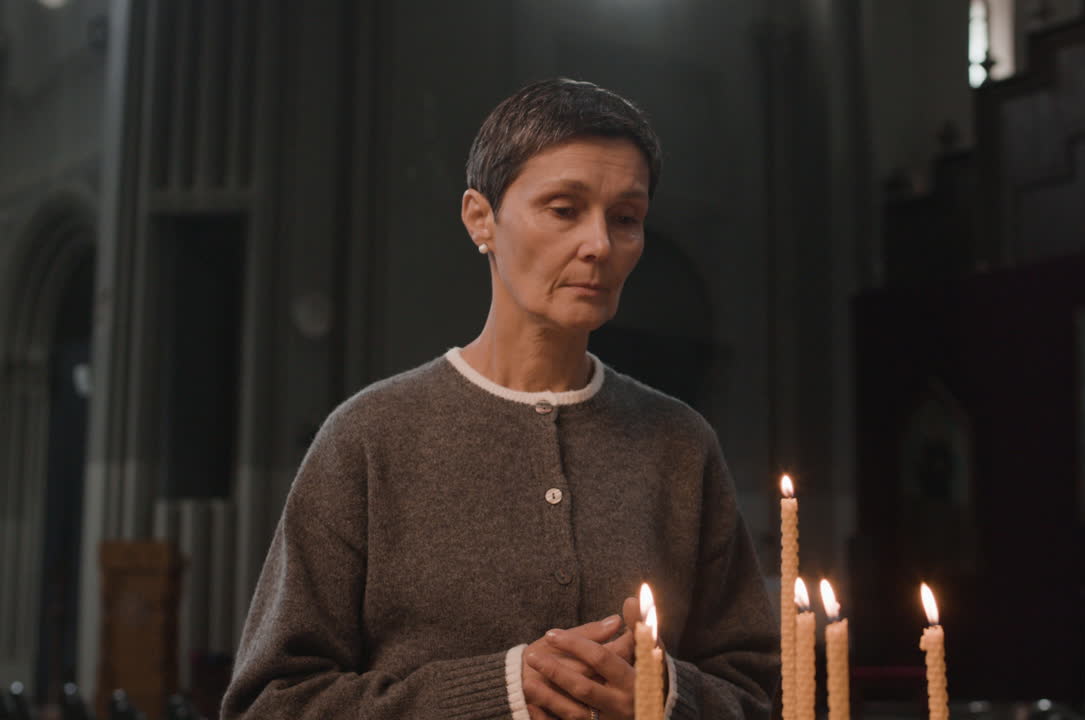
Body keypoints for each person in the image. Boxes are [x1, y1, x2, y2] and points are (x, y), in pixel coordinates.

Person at [221, 78, 778, 720]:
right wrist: (501, 689)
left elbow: (759, 691)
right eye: (564, 209)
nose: (599, 244)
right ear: (480, 218)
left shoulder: (680, 443)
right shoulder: (370, 437)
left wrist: (667, 697)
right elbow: (269, 704)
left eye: (626, 218)